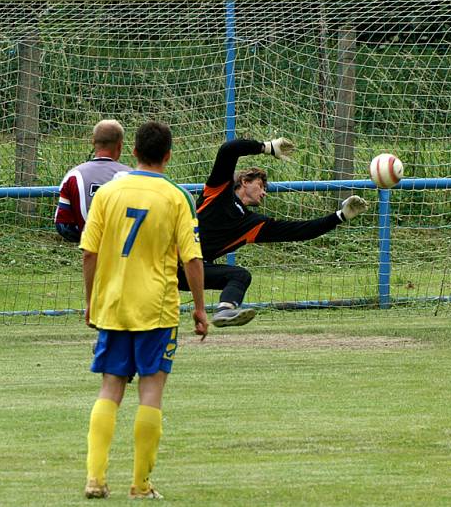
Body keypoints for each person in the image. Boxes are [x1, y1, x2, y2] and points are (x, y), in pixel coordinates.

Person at [80, 121, 208, 500]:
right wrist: (200, 308)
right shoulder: (177, 196)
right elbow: (193, 259)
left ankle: (95, 479)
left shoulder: (109, 192)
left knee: (110, 388)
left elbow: (89, 252)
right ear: (168, 155)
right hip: (157, 308)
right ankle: (140, 484)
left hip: (114, 305)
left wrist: (91, 301)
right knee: (151, 392)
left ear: (132, 151)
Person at [177, 137, 368, 328]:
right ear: (244, 181)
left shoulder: (253, 224)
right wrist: (266, 147)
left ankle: (225, 310)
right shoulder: (219, 191)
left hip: (189, 271)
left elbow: (300, 231)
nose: (264, 192)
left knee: (240, 276)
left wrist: (340, 216)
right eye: (261, 185)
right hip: (164, 258)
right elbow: (229, 149)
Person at [54, 119, 132, 243]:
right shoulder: (132, 177)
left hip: (91, 252)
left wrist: (88, 238)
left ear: (93, 142)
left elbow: (62, 225)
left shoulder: (73, 176)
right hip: (124, 254)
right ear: (120, 145)